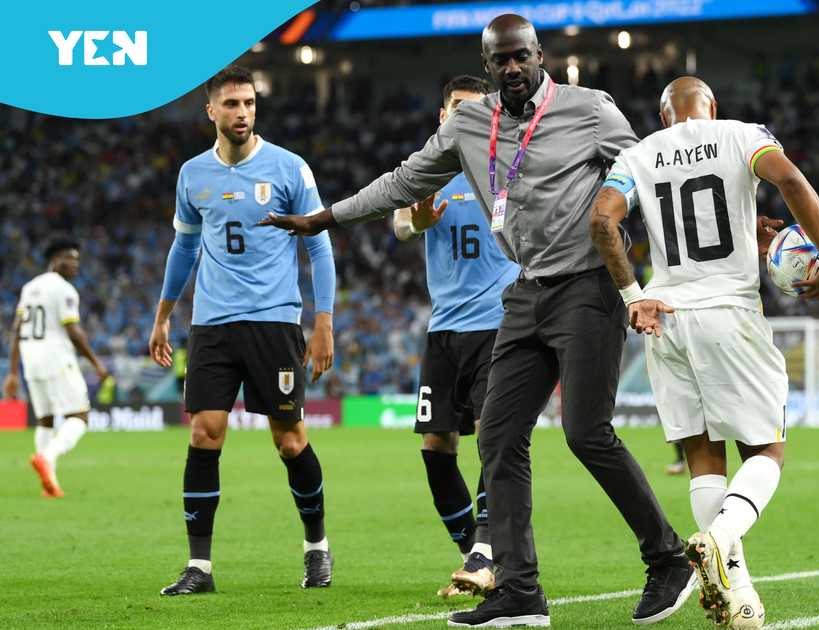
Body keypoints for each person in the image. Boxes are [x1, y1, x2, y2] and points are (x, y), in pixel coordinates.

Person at [263, 14, 697, 628]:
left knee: (585, 432)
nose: (513, 68)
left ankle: (667, 558)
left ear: (540, 56)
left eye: (522, 56)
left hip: (586, 286)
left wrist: (665, 267)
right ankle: (521, 591)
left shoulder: (590, 109)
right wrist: (325, 218)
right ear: (489, 65)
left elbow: (649, 180)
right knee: (496, 436)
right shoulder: (470, 122)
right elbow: (406, 180)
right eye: (501, 60)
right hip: (524, 294)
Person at [589, 76, 819, 629]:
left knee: (703, 460)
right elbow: (793, 181)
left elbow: (602, 220)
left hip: (667, 318)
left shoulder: (638, 154)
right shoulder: (740, 135)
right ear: (713, 107)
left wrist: (634, 296)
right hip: (729, 313)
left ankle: (741, 599)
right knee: (767, 452)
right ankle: (721, 537)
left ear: (664, 117)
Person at [150, 65, 337, 596]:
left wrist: (322, 321)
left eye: (250, 103)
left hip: (275, 322)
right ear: (211, 110)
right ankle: (199, 567)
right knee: (204, 433)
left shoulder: (289, 168)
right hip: (211, 324)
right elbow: (184, 248)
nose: (243, 113)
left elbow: (318, 244)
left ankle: (316, 548)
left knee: (289, 441)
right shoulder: (193, 175)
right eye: (232, 104)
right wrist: (163, 315)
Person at [391, 75, 519, 599]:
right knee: (436, 446)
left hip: (497, 323)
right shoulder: (425, 169)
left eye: (476, 108)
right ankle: (477, 551)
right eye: (457, 108)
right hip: (444, 329)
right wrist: (417, 221)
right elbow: (399, 226)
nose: (465, 116)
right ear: (443, 115)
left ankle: (487, 552)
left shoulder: (505, 167)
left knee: (493, 440)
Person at [4, 238, 110, 498]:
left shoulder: (29, 287)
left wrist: (13, 371)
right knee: (80, 416)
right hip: (57, 358)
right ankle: (47, 457)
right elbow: (73, 331)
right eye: (68, 258)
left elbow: (17, 331)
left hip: (32, 360)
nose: (74, 264)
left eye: (76, 259)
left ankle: (48, 483)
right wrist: (96, 363)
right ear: (54, 260)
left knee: (46, 419)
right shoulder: (64, 290)